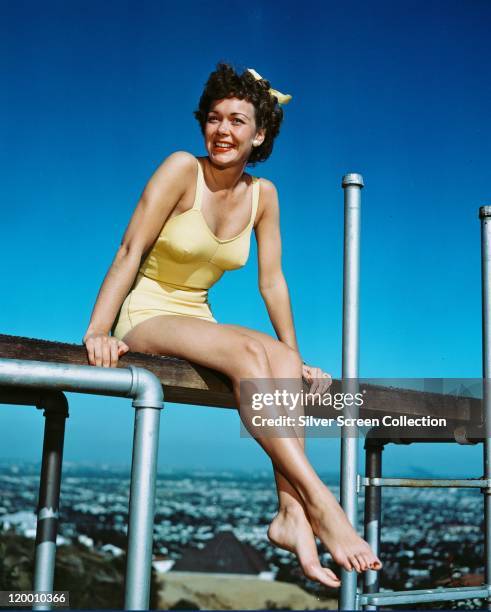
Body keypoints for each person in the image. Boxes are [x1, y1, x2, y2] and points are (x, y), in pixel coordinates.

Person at [83, 63, 382, 588]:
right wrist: (99, 329)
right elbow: (130, 250)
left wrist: (297, 356)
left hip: (197, 315)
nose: (223, 131)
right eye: (215, 118)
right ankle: (322, 505)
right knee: (249, 357)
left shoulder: (263, 195)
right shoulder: (181, 169)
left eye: (238, 121)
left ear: (259, 133)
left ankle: (290, 516)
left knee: (281, 361)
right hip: (146, 313)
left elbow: (273, 283)